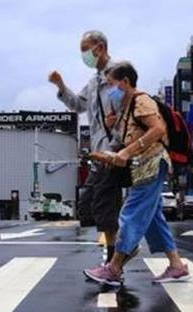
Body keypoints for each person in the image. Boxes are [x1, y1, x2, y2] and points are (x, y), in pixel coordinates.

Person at [83, 62, 190, 286]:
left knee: (131, 213)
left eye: (111, 84)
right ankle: (177, 265)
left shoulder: (142, 101)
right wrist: (111, 130)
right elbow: (125, 140)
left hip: (151, 164)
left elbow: (158, 129)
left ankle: (114, 267)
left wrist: (127, 151)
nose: (109, 90)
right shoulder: (125, 108)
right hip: (141, 167)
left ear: (125, 82)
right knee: (153, 218)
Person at [49, 30, 127, 263]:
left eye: (86, 49)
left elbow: (125, 107)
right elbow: (78, 105)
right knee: (88, 205)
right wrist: (61, 86)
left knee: (105, 207)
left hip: (113, 151)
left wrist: (115, 140)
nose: (84, 55)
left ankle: (114, 262)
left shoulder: (117, 74)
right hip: (99, 153)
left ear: (100, 48)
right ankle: (120, 254)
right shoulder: (93, 82)